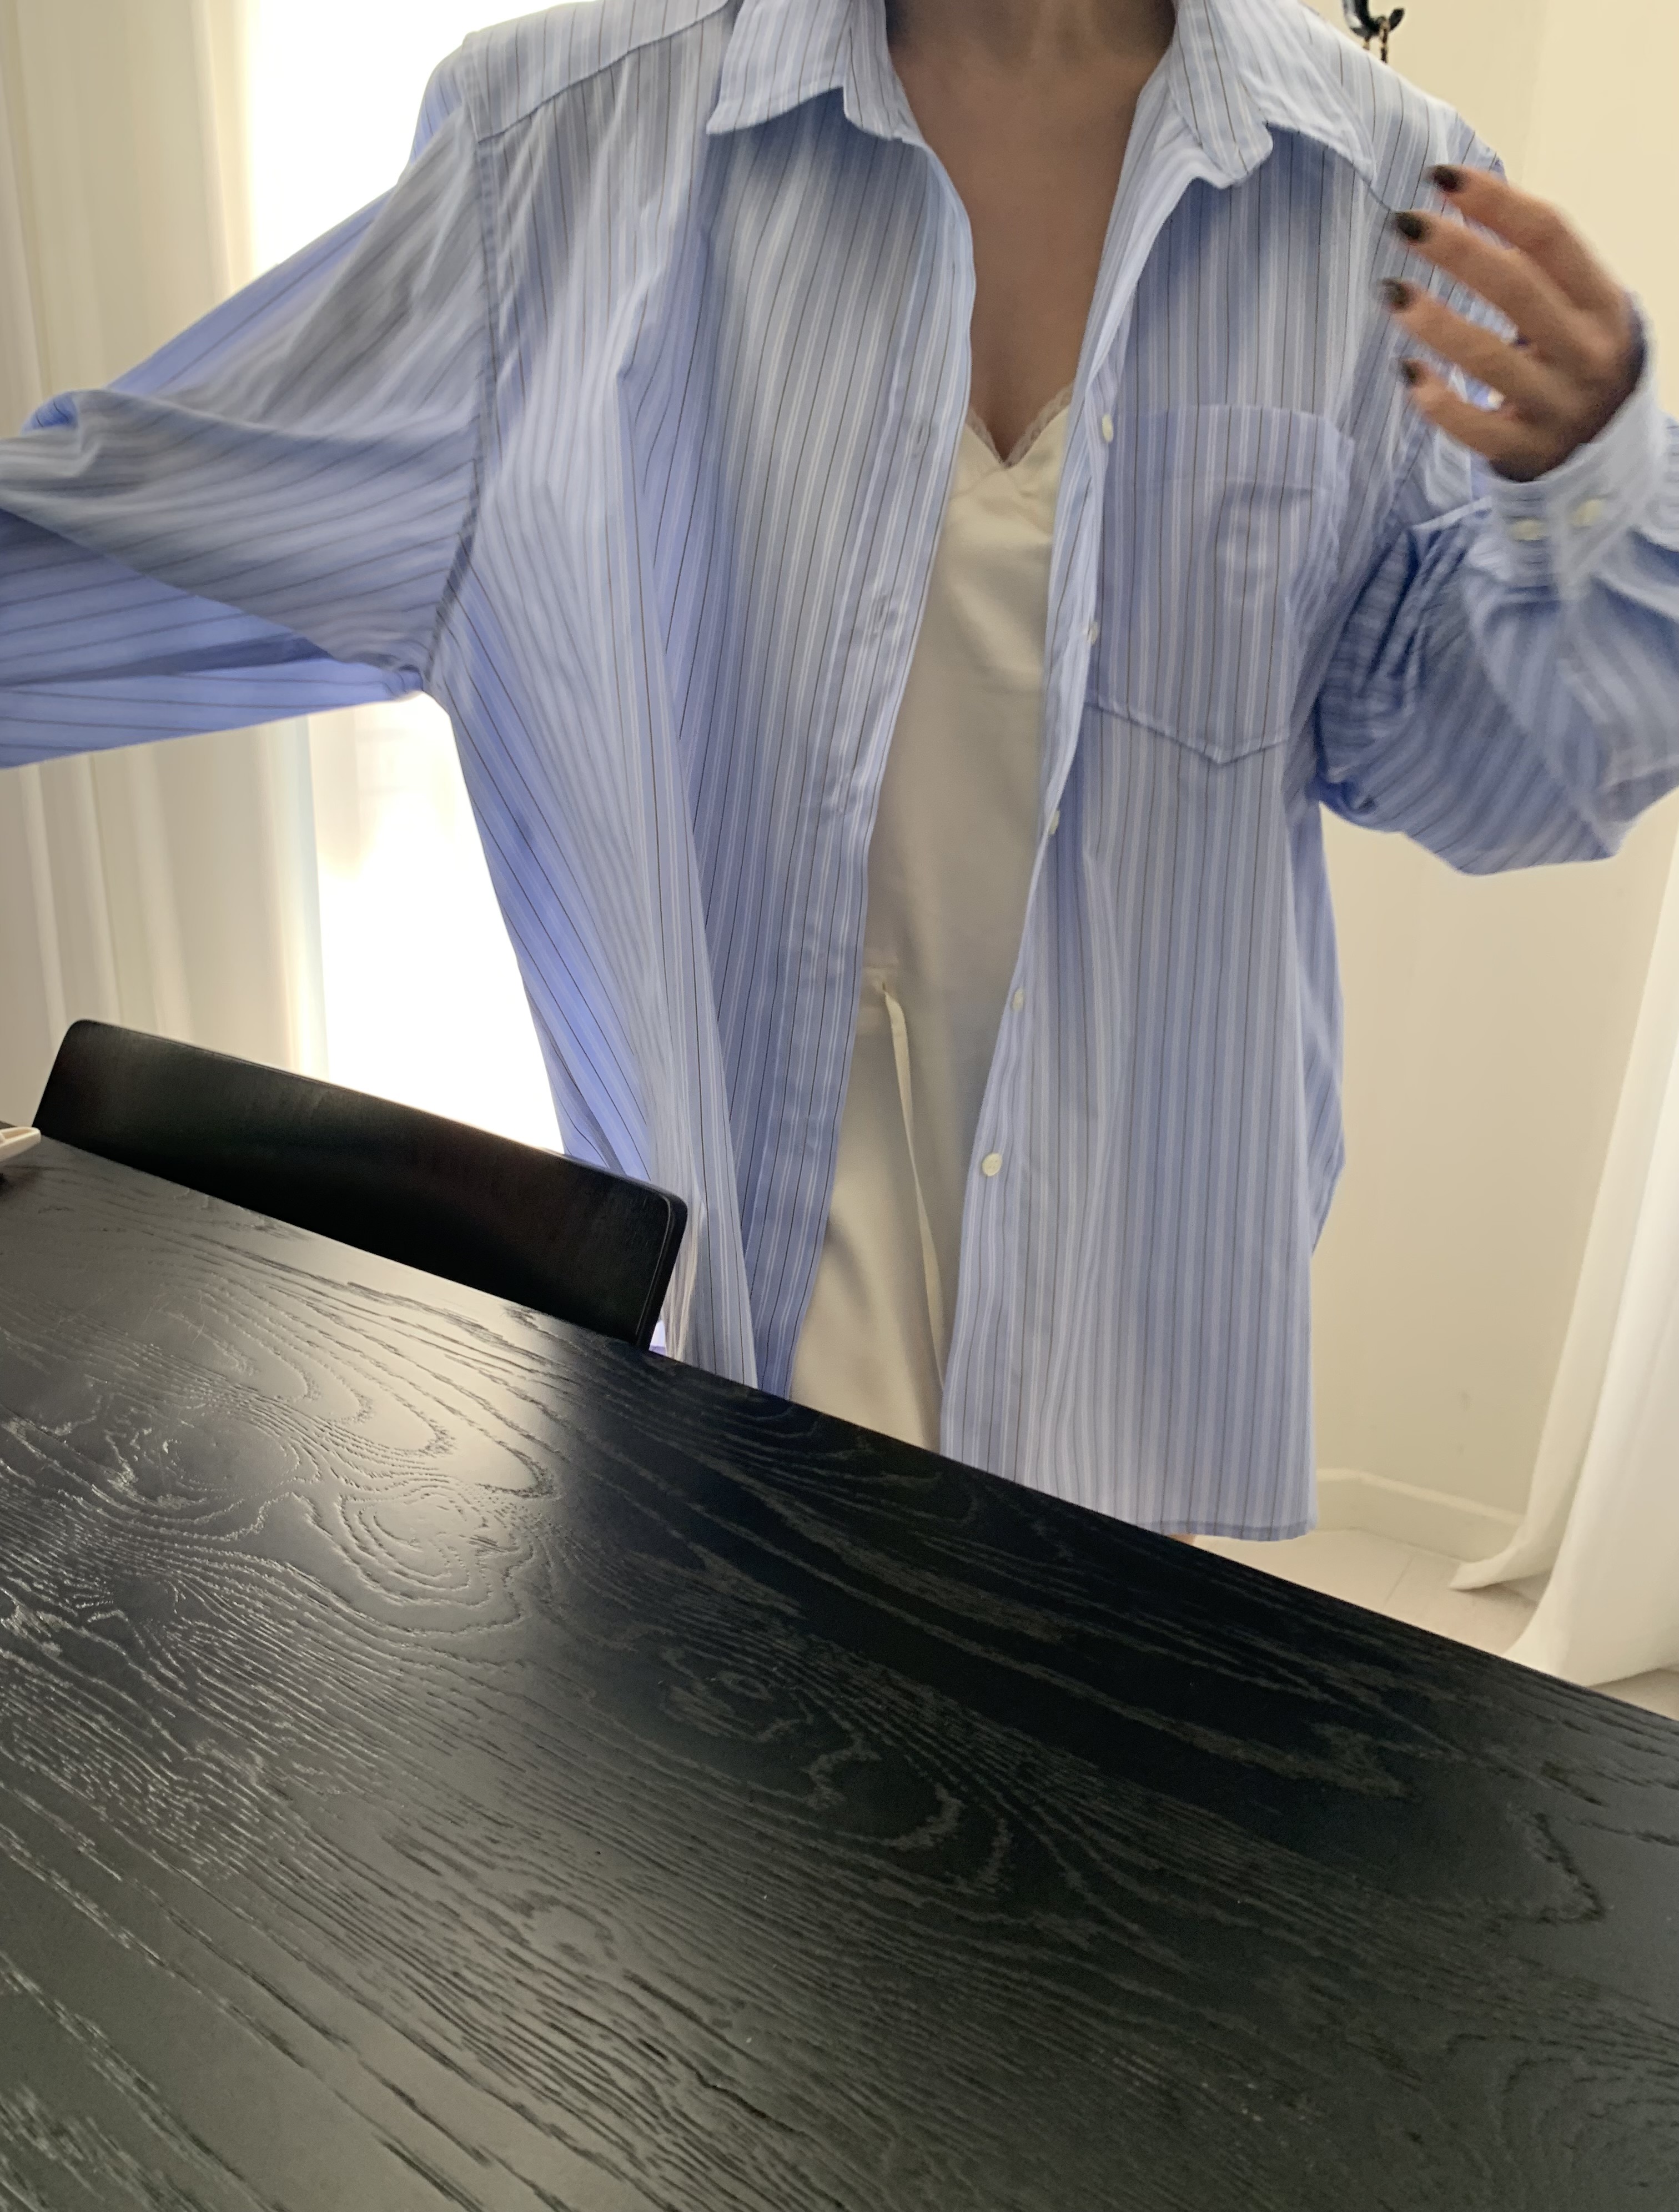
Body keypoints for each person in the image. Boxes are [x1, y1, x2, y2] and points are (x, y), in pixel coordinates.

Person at [0, 0, 1674, 1541]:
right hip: (734, 1334)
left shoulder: (1377, 190)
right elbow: (122, 528)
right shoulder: (568, 152)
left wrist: (1597, 490)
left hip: (1139, 1348)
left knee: (1078, 1763)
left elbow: (1480, 776)